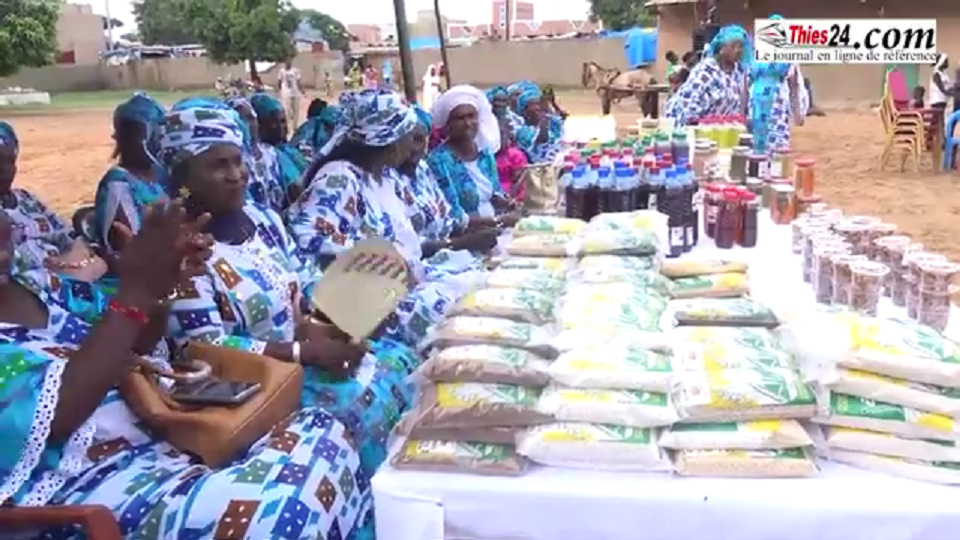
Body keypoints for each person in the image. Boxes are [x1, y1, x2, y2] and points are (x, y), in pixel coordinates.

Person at [0, 195, 377, 539]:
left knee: (330, 432)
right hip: (80, 493)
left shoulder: (44, 287)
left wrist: (162, 287)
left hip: (159, 444)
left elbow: (134, 344)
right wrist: (136, 293)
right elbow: (51, 419)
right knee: (282, 511)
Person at [160, 106, 417, 487]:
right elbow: (201, 346)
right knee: (353, 407)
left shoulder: (263, 220)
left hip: (307, 354)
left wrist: (336, 319)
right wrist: (303, 353)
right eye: (218, 166)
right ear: (182, 179)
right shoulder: (179, 249)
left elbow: (305, 277)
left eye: (238, 160)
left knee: (397, 361)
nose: (237, 175)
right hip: (255, 385)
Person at [287, 89, 479, 347]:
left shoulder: (386, 177)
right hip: (370, 302)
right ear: (386, 138)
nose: (412, 144)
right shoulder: (340, 179)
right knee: (454, 322)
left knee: (475, 286)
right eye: (406, 136)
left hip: (409, 282)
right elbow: (311, 243)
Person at [395, 107, 498, 254]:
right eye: (407, 140)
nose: (413, 147)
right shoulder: (389, 181)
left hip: (449, 258)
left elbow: (448, 218)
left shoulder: (422, 170)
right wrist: (459, 243)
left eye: (420, 139)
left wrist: (485, 229)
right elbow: (405, 247)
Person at [428, 85, 520, 229]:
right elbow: (453, 215)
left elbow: (494, 193)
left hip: (495, 228)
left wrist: (509, 204)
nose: (467, 124)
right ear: (448, 124)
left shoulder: (485, 154)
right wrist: (498, 221)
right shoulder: (439, 161)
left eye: (471, 116)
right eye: (459, 118)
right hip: (467, 238)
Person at [94, 93, 168, 255]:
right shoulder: (118, 185)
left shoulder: (160, 173)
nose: (157, 142)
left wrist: (187, 194)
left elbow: (183, 193)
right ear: (126, 138)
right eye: (152, 136)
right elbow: (133, 248)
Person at [664, 25, 751, 126]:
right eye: (733, 46)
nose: (738, 50)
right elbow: (689, 106)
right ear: (721, 48)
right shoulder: (706, 70)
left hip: (723, 130)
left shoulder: (739, 72)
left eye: (740, 46)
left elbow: (740, 106)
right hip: (695, 127)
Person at [226, 96, 286, 212]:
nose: (246, 125)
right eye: (239, 119)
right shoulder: (228, 160)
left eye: (250, 118)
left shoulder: (272, 155)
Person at [250, 93, 310, 202]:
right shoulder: (262, 159)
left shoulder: (290, 152)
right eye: (273, 122)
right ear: (259, 124)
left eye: (282, 121)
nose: (280, 127)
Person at [512, 83, 563, 163]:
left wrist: (551, 105)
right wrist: (544, 120)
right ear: (524, 110)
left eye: (538, 104)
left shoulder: (551, 123)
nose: (538, 108)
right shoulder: (522, 131)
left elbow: (560, 123)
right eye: (533, 104)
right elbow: (542, 139)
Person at [495, 116, 528, 199]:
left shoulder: (515, 155)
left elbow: (518, 182)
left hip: (513, 196)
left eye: (502, 134)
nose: (499, 138)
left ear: (508, 135)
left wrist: (509, 199)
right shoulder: (487, 155)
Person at [277, 60, 303, 125]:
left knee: (296, 110)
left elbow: (298, 82)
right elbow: (279, 81)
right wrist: (279, 90)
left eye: (289, 62)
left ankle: (295, 125)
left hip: (295, 92)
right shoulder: (281, 71)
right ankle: (288, 126)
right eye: (287, 62)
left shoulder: (295, 71)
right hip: (286, 93)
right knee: (287, 110)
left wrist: (302, 90)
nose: (288, 63)